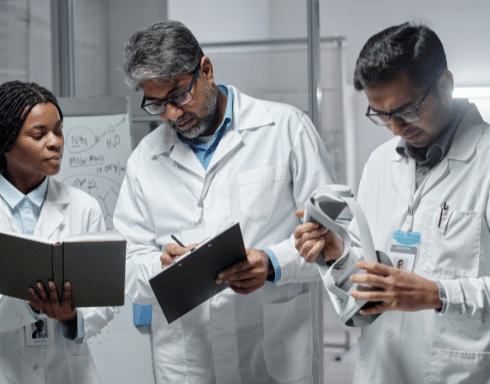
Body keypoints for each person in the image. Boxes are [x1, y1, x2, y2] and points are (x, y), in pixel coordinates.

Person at [294, 22, 490, 383]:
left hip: (461, 373)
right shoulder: (379, 162)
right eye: (381, 115)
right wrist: (338, 252)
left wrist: (438, 294)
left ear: (445, 85)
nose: (395, 129)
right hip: (382, 369)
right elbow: (369, 276)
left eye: (405, 111)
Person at [114, 20, 336, 383]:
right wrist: (161, 263)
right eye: (156, 105)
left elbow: (336, 241)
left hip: (273, 346)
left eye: (178, 97)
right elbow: (126, 263)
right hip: (187, 359)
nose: (170, 115)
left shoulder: (287, 129)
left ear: (206, 71)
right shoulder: (143, 160)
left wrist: (272, 263)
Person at [0, 80, 114, 383]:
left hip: (68, 374)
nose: (55, 142)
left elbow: (103, 301)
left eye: (58, 130)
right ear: (5, 141)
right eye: (39, 134)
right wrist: (24, 303)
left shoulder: (84, 207)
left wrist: (70, 316)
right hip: (0, 375)